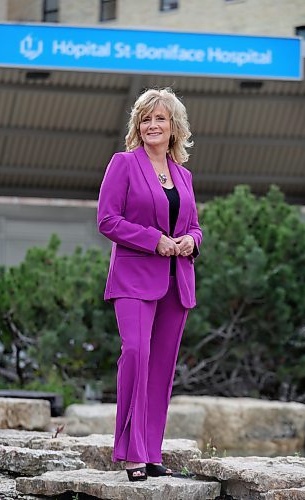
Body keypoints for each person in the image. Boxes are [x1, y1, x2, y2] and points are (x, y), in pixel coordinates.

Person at [97, 87, 202, 482]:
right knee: (137, 354)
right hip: (133, 278)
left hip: (177, 281)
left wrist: (194, 239)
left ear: (174, 127)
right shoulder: (123, 164)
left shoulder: (184, 175)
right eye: (145, 118)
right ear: (137, 126)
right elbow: (107, 220)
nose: (151, 125)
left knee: (160, 368)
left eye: (159, 118)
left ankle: (151, 452)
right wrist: (152, 239)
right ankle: (129, 452)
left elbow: (192, 224)